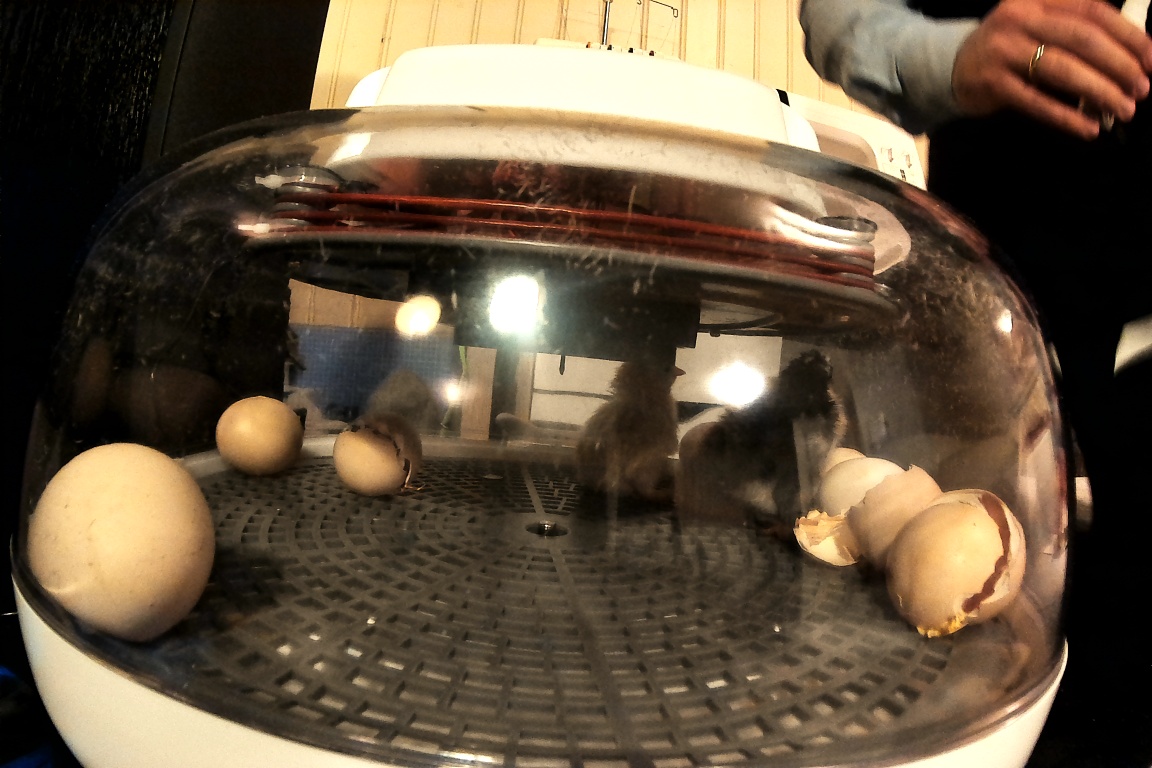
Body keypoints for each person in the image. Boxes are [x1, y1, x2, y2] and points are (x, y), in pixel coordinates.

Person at [800, 1, 1152, 764]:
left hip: (1130, 344)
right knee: (964, 648)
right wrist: (950, 58)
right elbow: (838, 15)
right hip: (988, 309)